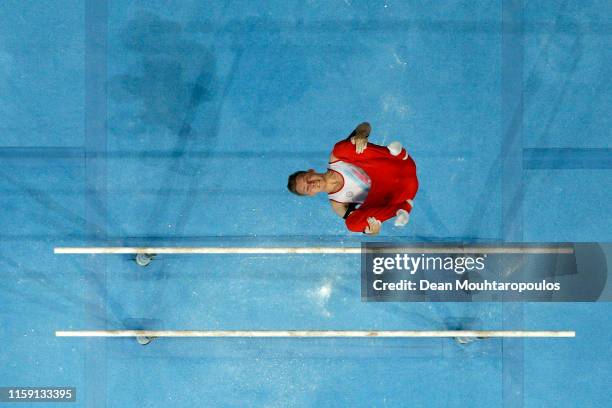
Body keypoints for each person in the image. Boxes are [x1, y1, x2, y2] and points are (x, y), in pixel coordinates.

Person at [287, 122, 418, 234]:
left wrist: (360, 135)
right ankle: (401, 210)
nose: (312, 184)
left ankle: (397, 153)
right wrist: (371, 231)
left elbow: (365, 125)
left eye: (307, 179)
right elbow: (362, 224)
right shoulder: (338, 205)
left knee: (340, 149)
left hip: (400, 165)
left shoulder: (336, 159)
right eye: (307, 188)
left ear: (311, 171)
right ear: (311, 194)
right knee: (351, 225)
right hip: (401, 196)